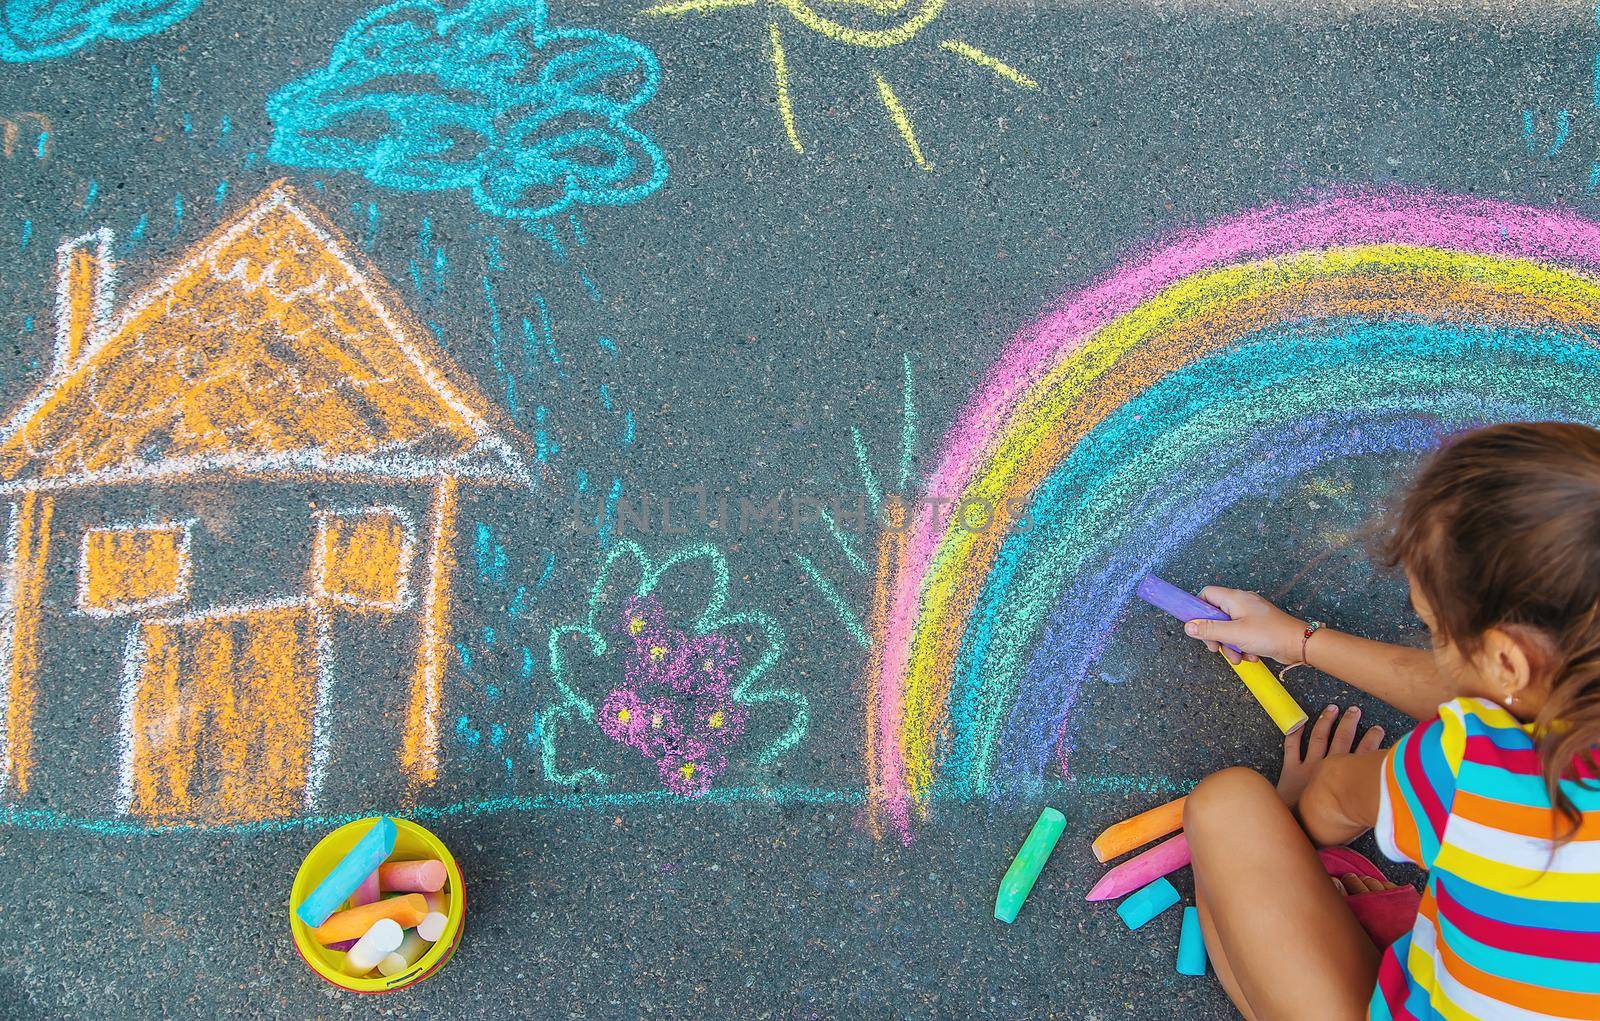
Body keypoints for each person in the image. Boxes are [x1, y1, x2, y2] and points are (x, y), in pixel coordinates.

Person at [1177, 422, 1600, 1021]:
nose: (1434, 644)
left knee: (1228, 808)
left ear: (1508, 661)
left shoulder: (1473, 770)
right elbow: (1511, 695)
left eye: (1435, 630)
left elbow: (1333, 802)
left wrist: (1295, 816)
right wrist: (1299, 642)